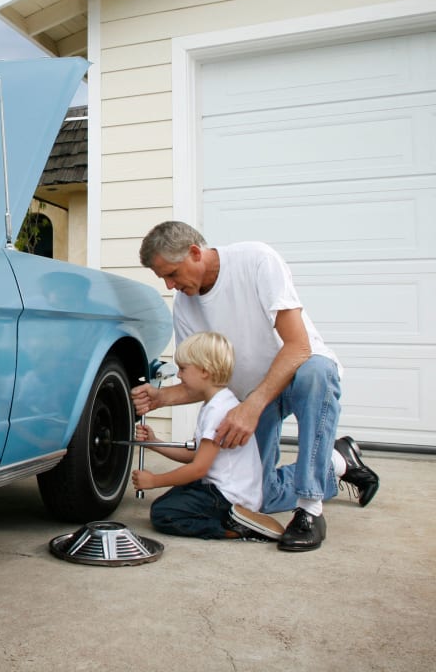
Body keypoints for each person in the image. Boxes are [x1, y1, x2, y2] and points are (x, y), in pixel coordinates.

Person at [132, 221, 379, 552]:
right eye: (162, 278)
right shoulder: (186, 306)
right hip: (250, 395)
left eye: (172, 273)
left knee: (317, 372)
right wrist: (160, 398)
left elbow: (298, 346)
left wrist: (251, 407)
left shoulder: (256, 261)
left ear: (194, 253)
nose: (169, 284)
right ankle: (338, 462)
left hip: (296, 376)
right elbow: (201, 380)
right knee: (257, 495)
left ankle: (309, 510)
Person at [132, 331, 285, 541]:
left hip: (228, 496)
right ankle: (235, 519)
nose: (179, 376)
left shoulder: (217, 411)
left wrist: (155, 481)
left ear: (205, 371)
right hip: (218, 487)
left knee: (163, 513)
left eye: (183, 369)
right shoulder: (218, 403)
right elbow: (195, 455)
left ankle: (234, 527)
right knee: (169, 500)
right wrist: (155, 442)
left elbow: (198, 468)